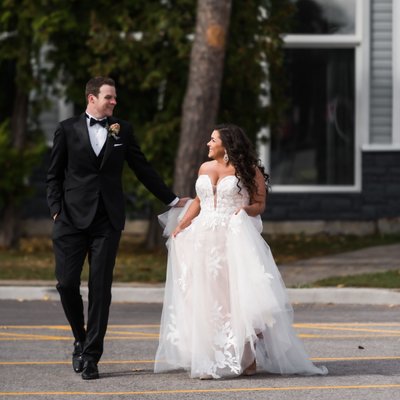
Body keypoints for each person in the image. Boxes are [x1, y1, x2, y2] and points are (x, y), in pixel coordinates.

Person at [154, 123, 328, 379]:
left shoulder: (249, 170)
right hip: (203, 239)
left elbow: (259, 204)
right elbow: (199, 201)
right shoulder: (204, 167)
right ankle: (212, 356)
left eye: (213, 140)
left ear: (227, 144)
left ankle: (246, 357)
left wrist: (244, 211)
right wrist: (182, 225)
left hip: (233, 239)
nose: (208, 143)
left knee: (235, 298)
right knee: (209, 299)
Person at [46, 76, 187, 380]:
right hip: (70, 219)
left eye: (114, 98)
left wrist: (172, 199)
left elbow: (142, 167)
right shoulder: (67, 129)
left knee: (100, 289)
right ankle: (80, 339)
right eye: (109, 97)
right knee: (66, 284)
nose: (114, 102)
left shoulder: (122, 130)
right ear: (91, 98)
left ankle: (92, 356)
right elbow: (53, 175)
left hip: (107, 220)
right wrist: (56, 210)